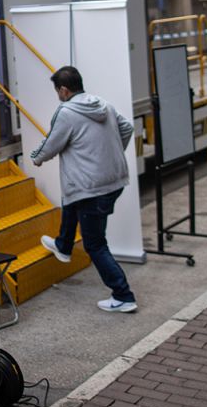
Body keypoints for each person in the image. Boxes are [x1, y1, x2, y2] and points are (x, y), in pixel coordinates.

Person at [30, 66, 138, 313]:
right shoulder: (103, 104)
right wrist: (110, 153)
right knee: (72, 195)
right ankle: (64, 245)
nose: (57, 95)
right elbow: (127, 129)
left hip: (93, 187)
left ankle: (123, 295)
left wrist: (36, 157)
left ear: (64, 90)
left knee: (96, 245)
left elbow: (51, 143)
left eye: (57, 90)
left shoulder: (66, 111)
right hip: (113, 182)